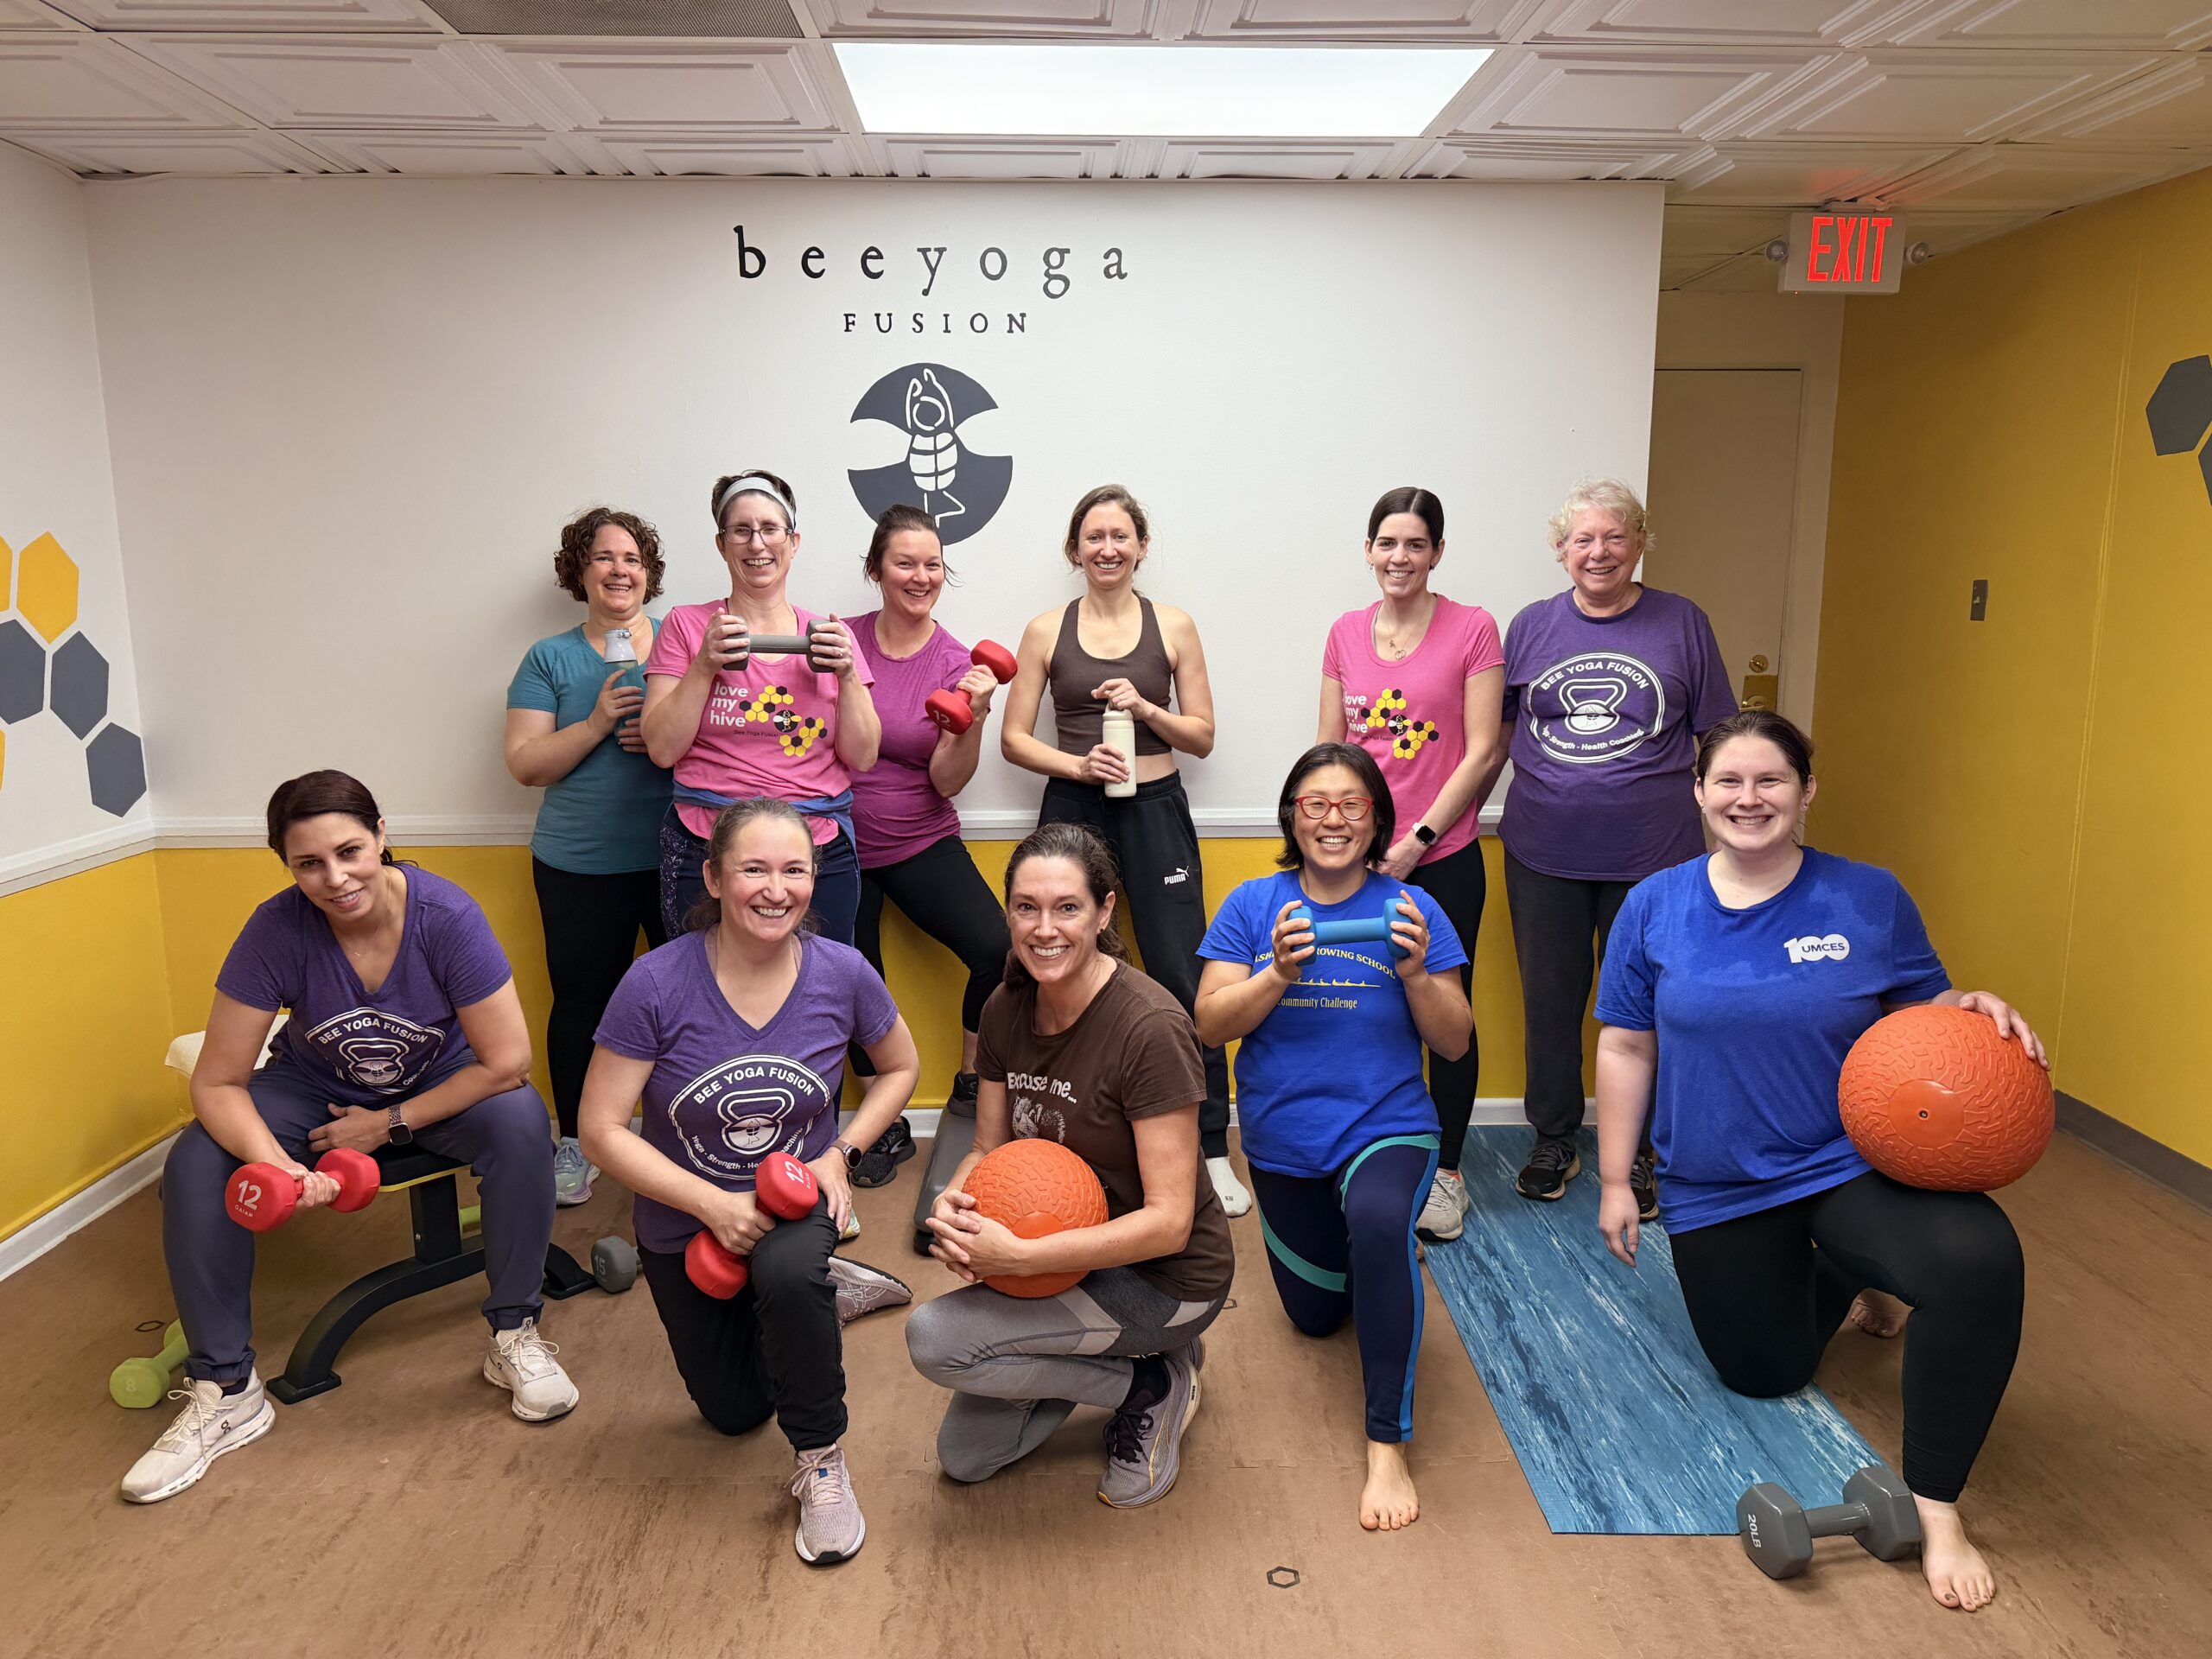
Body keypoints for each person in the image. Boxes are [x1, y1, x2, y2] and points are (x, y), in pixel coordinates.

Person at [1593, 710, 2036, 1614]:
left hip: (1846, 1162)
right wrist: (1611, 1179)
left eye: (1770, 781)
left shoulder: (1867, 898)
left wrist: (1968, 1004)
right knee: (1763, 1371)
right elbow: (1626, 1046)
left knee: (1978, 1260)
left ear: (1805, 792)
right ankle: (1844, 1269)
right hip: (1716, 1178)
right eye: (1728, 782)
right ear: (1699, 793)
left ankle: (1938, 1504)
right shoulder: (1656, 903)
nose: (1748, 799)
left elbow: (1921, 1018)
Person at [123, 771, 577, 1505]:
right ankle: (226, 1390)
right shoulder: (276, 929)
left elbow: (509, 1062)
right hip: (312, 1084)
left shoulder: (446, 917)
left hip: (444, 1080)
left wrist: (389, 1124)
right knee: (198, 1161)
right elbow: (217, 1082)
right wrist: (280, 1168)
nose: (335, 879)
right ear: (288, 867)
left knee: (523, 1121)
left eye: (350, 851)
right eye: (309, 863)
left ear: (382, 837)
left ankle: (514, 1331)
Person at [578, 797, 920, 1567]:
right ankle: (826, 1294)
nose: (777, 889)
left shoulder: (843, 972)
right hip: (687, 1218)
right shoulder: (655, 983)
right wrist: (710, 1204)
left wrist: (843, 1154)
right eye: (754, 869)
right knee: (733, 1414)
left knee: (788, 1268)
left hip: (797, 1198)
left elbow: (900, 1067)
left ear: (814, 877)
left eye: (795, 869)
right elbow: (599, 1128)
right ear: (714, 877)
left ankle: (821, 1462)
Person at [906, 823, 1235, 1507]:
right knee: (967, 1459)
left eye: (1067, 908)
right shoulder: (1004, 1008)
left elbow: (1171, 1225)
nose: (1043, 929)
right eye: (1026, 907)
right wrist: (955, 1209)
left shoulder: (1149, 1028)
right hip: (1056, 1257)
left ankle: (1155, 1384)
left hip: (1164, 1276)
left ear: (1105, 910)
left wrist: (1021, 1258)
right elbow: (986, 1149)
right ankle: (1126, 1363)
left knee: (935, 1339)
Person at [1195, 744, 1471, 1531]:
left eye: (1352, 804)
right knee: (1316, 1317)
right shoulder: (1254, 905)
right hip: (1286, 1141)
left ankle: (1388, 1441)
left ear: (1378, 817)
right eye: (1316, 803)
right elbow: (1207, 1023)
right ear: (1291, 816)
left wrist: (1417, 973)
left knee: (1381, 1221)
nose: (1334, 820)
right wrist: (1274, 973)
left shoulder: (1412, 909)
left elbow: (1453, 1043)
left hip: (1390, 1124)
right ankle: (1374, 1257)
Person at [999, 485, 1248, 1217]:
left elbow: (1202, 735)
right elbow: (1013, 740)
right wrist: (1078, 766)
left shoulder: (1172, 625)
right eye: (1093, 536)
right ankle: (1062, 1137)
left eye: (1121, 536)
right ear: (1075, 550)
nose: (1107, 548)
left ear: (1141, 546)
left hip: (1156, 809)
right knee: (1057, 967)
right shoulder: (1046, 629)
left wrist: (1145, 709)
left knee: (1182, 974)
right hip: (1073, 812)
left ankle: (1208, 1148)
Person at [1497, 478, 1734, 1212]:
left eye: (1614, 537)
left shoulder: (1682, 622)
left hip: (1656, 858)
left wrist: (1732, 834)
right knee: (1550, 1000)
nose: (1598, 552)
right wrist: (1435, 832)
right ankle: (1555, 1138)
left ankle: (1641, 1152)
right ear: (1561, 550)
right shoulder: (1531, 626)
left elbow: (1719, 736)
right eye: (1582, 540)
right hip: (1541, 850)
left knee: (1650, 1006)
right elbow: (1496, 738)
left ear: (1639, 542)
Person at [1319, 486, 1503, 1243]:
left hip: (1443, 856)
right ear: (1368, 550)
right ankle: (1364, 1154)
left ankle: (1448, 1175)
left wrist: (1416, 841)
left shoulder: (1472, 629)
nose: (1399, 558)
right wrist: (1343, 840)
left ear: (1437, 553)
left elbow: (1485, 748)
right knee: (1360, 1006)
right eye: (1387, 544)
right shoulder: (1343, 633)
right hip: (1357, 858)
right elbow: (1333, 753)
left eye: (1415, 545)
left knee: (1446, 1015)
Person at [505, 505, 672, 1206]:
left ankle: (680, 1138)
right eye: (604, 557)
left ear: (648, 574)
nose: (619, 569)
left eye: (631, 558)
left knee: (687, 1003)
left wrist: (665, 739)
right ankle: (575, 1142)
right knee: (581, 1004)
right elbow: (525, 763)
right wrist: (598, 723)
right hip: (578, 866)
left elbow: (721, 747)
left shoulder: (680, 645)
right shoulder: (548, 658)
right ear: (580, 570)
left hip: (678, 859)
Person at [844, 504, 1011, 1188]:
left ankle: (971, 1084)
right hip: (835, 840)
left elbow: (946, 779)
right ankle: (879, 1122)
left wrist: (971, 722)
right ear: (876, 569)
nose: (921, 576)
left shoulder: (957, 661)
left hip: (919, 837)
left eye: (933, 564)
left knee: (999, 953)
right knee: (852, 978)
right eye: (905, 562)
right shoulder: (839, 641)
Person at [641, 469, 880, 947]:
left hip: (816, 844)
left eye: (770, 529)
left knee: (822, 987)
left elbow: (863, 756)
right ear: (721, 543)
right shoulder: (688, 627)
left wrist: (849, 675)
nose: (757, 544)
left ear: (793, 542)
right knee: (699, 988)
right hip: (706, 841)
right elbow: (663, 749)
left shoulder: (830, 635)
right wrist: (704, 666)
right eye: (741, 531)